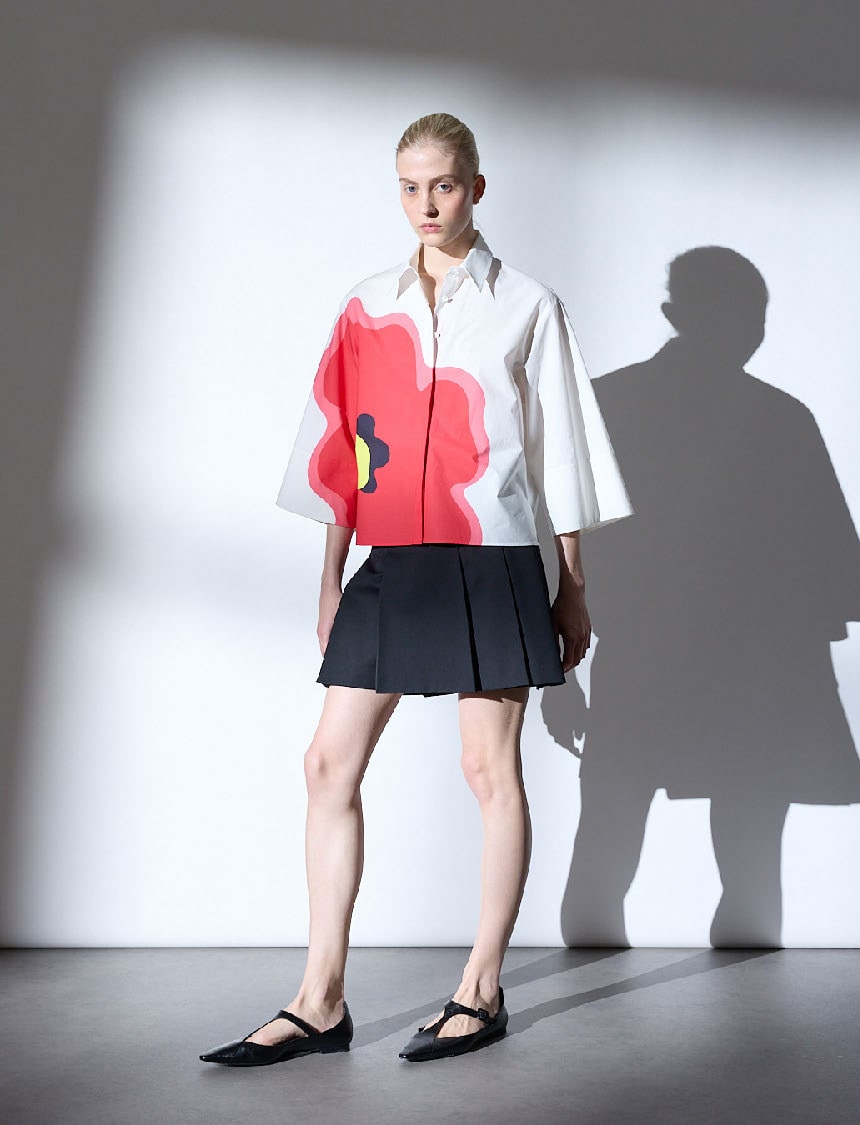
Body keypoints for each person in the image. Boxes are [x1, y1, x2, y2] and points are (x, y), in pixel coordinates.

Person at [200, 112, 631, 1067]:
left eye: (441, 184)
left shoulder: (527, 304)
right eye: (407, 186)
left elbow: (559, 451)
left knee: (488, 771)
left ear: (476, 186)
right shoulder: (365, 306)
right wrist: (330, 578)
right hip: (390, 558)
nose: (424, 204)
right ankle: (319, 1001)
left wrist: (572, 587)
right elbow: (342, 450)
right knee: (327, 765)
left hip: (493, 557)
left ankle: (480, 988)